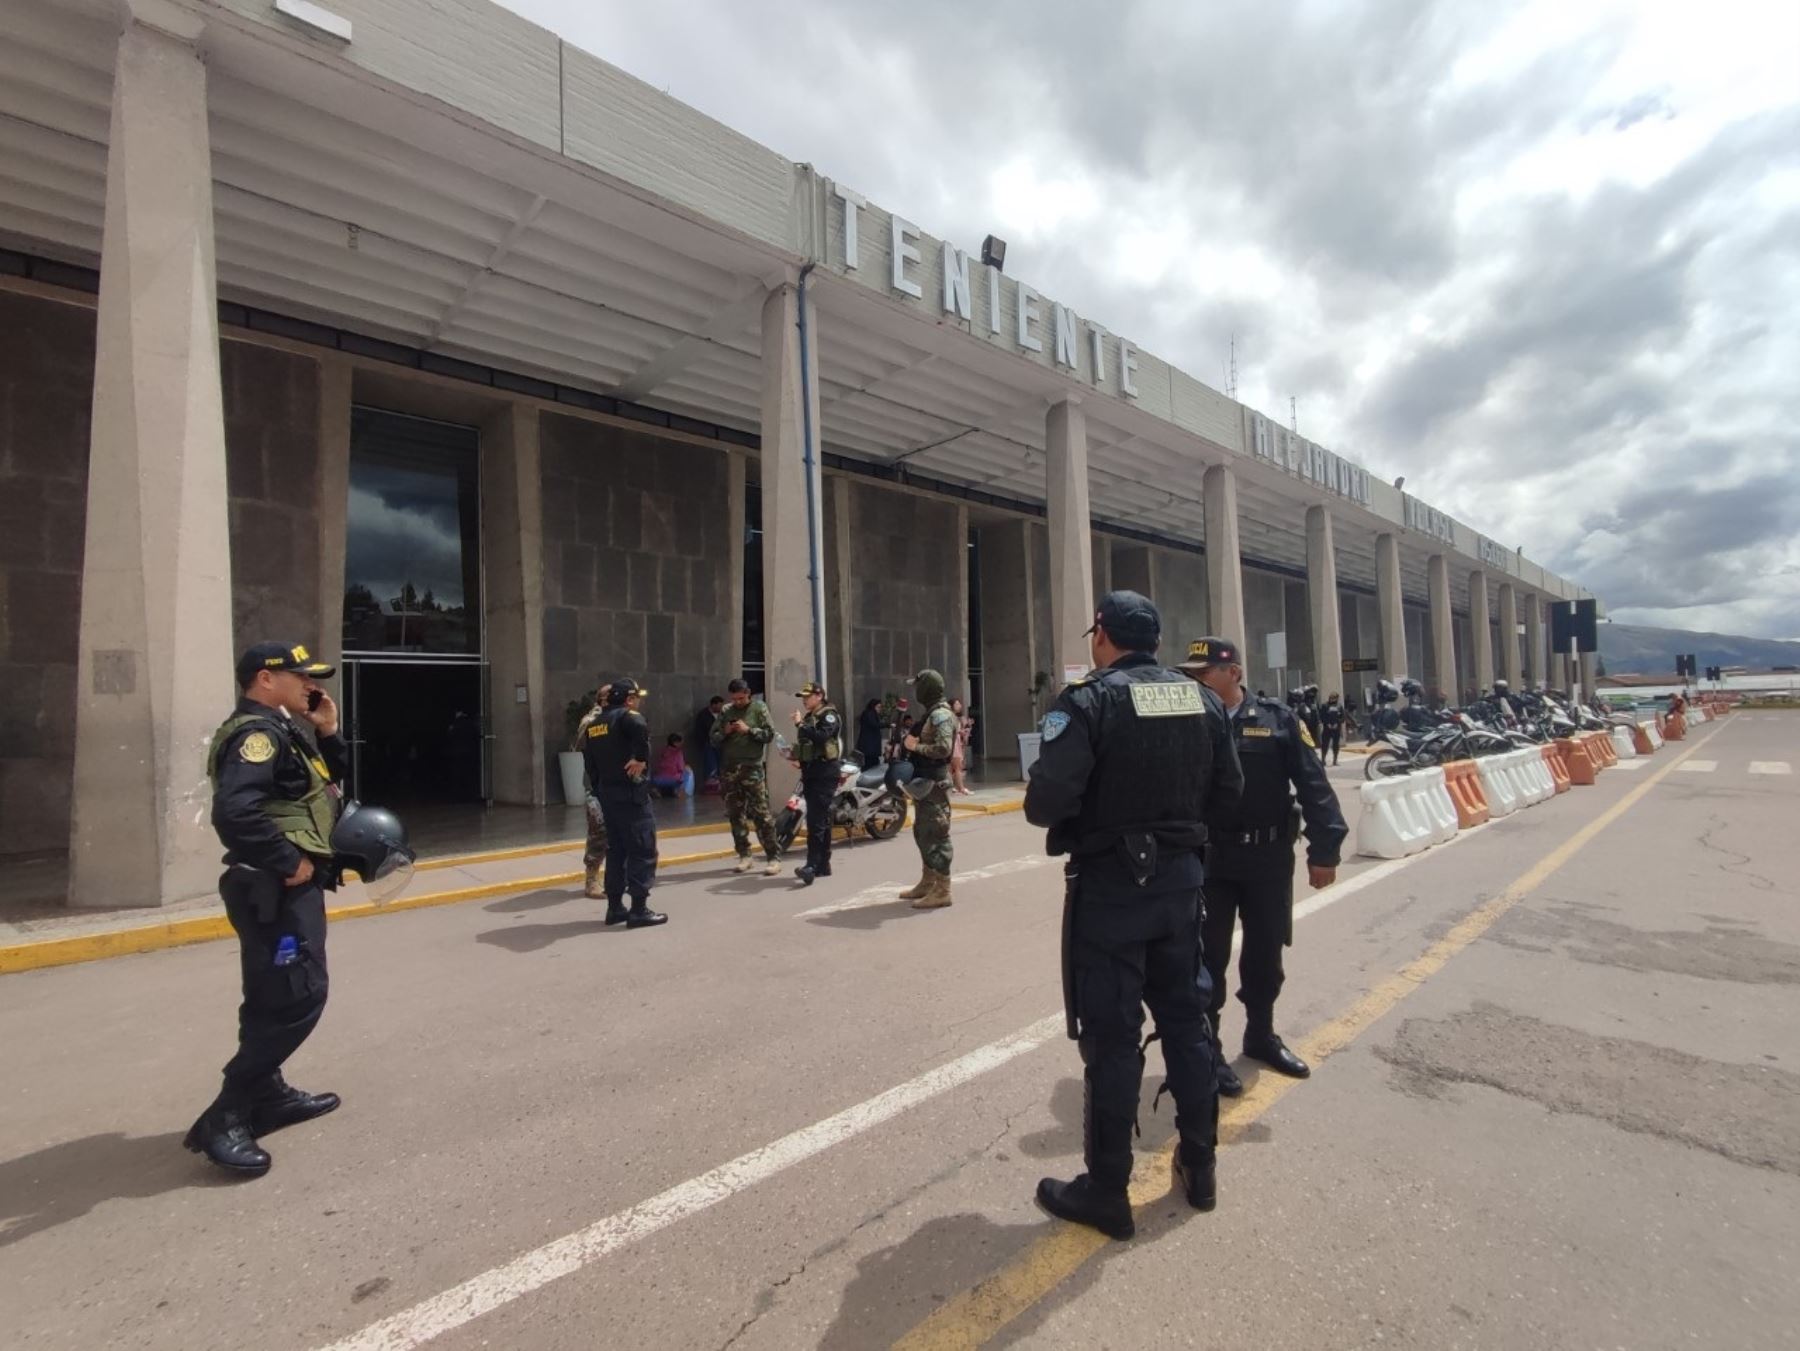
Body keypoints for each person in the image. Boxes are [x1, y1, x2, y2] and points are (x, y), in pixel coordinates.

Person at [1024, 592, 1243, 1239]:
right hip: (1180, 888)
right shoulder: (1202, 700)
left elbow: (1044, 802)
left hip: (1112, 892)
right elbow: (1228, 794)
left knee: (1114, 1038)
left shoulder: (1090, 702)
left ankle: (1108, 1189)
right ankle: (1199, 1168)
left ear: (1103, 636)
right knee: (1187, 1021)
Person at [186, 641, 349, 1177]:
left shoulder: (283, 729)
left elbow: (329, 787)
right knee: (300, 992)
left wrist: (327, 729)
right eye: (300, 677)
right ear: (265, 679)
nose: (310, 685)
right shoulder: (256, 735)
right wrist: (288, 862)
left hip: (281, 887)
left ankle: (269, 1093)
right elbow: (234, 811)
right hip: (273, 886)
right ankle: (228, 1112)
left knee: (270, 992)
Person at [1181, 637, 1348, 1096]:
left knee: (1265, 955)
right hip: (1211, 861)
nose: (1195, 682)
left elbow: (1313, 784)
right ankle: (1207, 1050)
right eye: (1190, 675)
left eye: (1203, 673)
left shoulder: (1278, 720)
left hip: (1269, 859)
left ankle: (1260, 1035)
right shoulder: (1190, 722)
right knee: (1207, 960)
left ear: (1233, 673)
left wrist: (1325, 850)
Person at [582, 678, 666, 928]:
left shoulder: (594, 725)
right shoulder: (628, 716)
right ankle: (639, 910)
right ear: (629, 699)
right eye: (636, 697)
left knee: (616, 851)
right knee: (642, 849)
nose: (638, 702)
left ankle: (615, 907)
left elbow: (590, 765)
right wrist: (640, 758)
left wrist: (600, 789)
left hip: (608, 794)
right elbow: (639, 723)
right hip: (631, 794)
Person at [897, 671, 957, 908]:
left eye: (919, 687)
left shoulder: (941, 715)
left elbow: (943, 748)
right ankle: (928, 881)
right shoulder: (931, 713)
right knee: (922, 832)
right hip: (924, 782)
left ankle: (943, 890)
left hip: (935, 783)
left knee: (936, 833)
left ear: (928, 688)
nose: (916, 692)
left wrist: (916, 746)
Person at [711, 678, 782, 875]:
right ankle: (744, 855)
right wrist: (725, 732)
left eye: (741, 698)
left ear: (748, 693)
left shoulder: (759, 708)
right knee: (735, 815)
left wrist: (749, 730)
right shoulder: (726, 711)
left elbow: (769, 734)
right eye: (735, 699)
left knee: (762, 815)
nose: (738, 702)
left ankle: (773, 857)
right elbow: (713, 738)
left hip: (752, 769)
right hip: (730, 770)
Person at [791, 681, 844, 886]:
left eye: (808, 696)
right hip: (812, 771)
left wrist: (799, 725)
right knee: (820, 819)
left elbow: (822, 736)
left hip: (824, 772)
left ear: (819, 696)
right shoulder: (810, 717)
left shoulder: (828, 715)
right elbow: (809, 744)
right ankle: (823, 865)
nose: (805, 700)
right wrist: (797, 757)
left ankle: (811, 865)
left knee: (816, 821)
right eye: (803, 697)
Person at [574, 680, 612, 898]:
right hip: (596, 785)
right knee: (599, 829)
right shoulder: (591, 719)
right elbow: (579, 744)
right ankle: (592, 878)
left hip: (618, 784)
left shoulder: (624, 717)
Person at [693, 695, 725, 789]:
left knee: (720, 764)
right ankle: (711, 784)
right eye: (719, 705)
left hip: (719, 743)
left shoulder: (722, 714)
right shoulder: (703, 715)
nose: (721, 708)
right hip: (708, 744)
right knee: (711, 764)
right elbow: (700, 731)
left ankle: (720, 782)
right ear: (713, 705)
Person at [650, 733, 694, 798]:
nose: (682, 744)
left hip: (657, 780)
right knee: (687, 772)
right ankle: (680, 791)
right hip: (673, 779)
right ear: (675, 743)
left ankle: (656, 789)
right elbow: (681, 768)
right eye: (680, 742)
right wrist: (686, 767)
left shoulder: (663, 751)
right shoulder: (678, 752)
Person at [949, 695, 974, 795]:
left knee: (952, 768)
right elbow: (954, 731)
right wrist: (961, 732)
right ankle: (961, 788)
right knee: (957, 766)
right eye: (957, 704)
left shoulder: (956, 717)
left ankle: (954, 787)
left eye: (959, 704)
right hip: (954, 743)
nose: (959, 706)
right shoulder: (951, 717)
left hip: (955, 743)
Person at [1319, 692, 1346, 766]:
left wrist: (1337, 723)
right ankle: (1323, 760)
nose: (1332, 699)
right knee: (1325, 744)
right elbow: (1322, 716)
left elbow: (1343, 717)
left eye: (1334, 698)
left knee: (1336, 745)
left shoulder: (1339, 706)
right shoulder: (1325, 705)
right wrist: (1327, 724)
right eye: (1331, 697)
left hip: (1336, 729)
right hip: (1327, 728)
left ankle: (1335, 760)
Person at [856, 698, 885, 768]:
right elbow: (874, 724)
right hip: (869, 747)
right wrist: (887, 724)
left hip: (870, 747)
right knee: (870, 765)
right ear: (873, 706)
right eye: (878, 707)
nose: (879, 709)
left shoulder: (870, 714)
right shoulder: (869, 713)